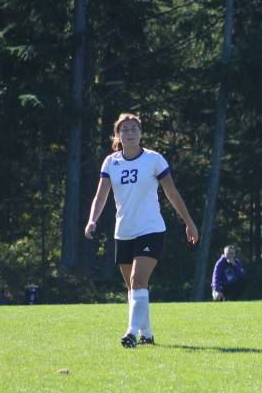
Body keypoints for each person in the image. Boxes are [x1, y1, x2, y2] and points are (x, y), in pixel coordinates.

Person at [84, 113, 198, 347]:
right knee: (134, 288)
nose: (130, 133)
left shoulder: (154, 160)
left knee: (137, 280)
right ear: (118, 135)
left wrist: (189, 221)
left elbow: (172, 193)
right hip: (123, 232)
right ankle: (147, 334)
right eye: (124, 129)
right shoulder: (110, 162)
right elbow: (101, 195)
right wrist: (92, 220)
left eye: (134, 129)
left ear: (141, 133)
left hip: (151, 230)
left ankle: (131, 333)